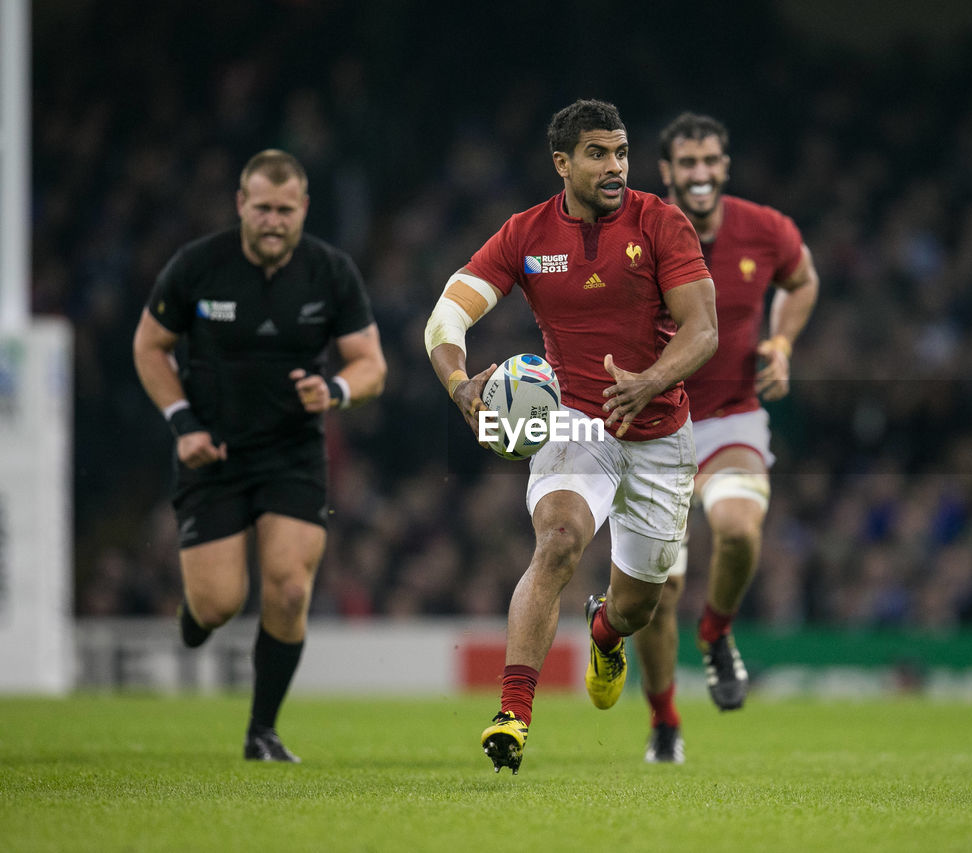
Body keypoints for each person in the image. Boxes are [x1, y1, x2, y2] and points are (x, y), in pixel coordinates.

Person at [425, 99, 717, 774]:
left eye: (620, 152)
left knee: (641, 603)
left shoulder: (661, 223)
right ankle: (513, 711)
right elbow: (446, 314)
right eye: (597, 153)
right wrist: (460, 384)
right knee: (557, 541)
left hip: (660, 429)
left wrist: (649, 380)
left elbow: (703, 330)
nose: (614, 165)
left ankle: (604, 630)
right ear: (562, 162)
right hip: (575, 416)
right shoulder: (525, 235)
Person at [132, 149, 387, 762]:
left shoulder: (330, 272)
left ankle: (262, 732)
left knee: (291, 590)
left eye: (285, 209)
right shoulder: (198, 266)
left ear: (303, 209)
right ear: (241, 205)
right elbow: (149, 346)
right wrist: (182, 423)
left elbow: (372, 365)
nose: (273, 219)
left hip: (292, 454)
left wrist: (333, 390)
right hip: (211, 454)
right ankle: (195, 615)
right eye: (262, 207)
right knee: (219, 604)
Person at [632, 113, 819, 763]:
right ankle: (664, 721)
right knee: (657, 596)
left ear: (726, 163)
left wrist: (781, 340)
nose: (701, 174)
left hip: (732, 416)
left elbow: (803, 279)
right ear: (666, 172)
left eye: (711, 160)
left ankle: (715, 633)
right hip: (654, 426)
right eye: (687, 164)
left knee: (739, 528)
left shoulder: (765, 229)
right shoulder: (639, 231)